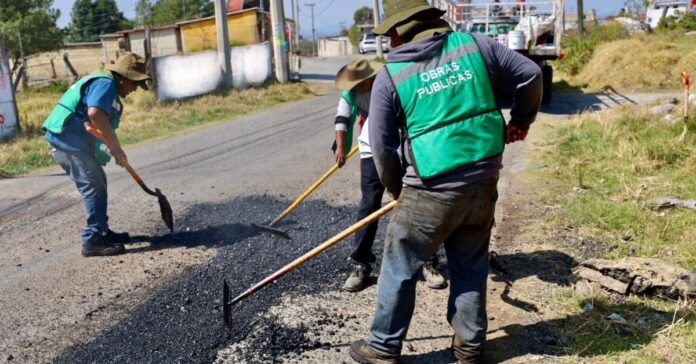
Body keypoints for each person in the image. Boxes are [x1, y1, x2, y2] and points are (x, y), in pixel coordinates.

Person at [349, 0, 542, 363]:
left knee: (401, 263)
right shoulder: (476, 45)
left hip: (430, 184)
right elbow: (530, 74)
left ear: (400, 30)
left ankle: (382, 346)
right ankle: (469, 347)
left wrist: (397, 190)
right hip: (484, 175)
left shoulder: (392, 75)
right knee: (470, 262)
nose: (389, 40)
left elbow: (382, 147)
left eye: (389, 32)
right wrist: (521, 120)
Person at [333, 59, 446, 292]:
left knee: (418, 202)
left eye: (358, 82)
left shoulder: (390, 82)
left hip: (402, 147)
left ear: (369, 78)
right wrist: (341, 148)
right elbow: (342, 118)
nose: (354, 86)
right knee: (368, 205)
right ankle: (361, 264)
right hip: (370, 149)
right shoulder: (351, 93)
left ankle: (428, 261)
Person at [43, 52, 151, 257]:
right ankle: (93, 240)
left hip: (71, 139)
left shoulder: (104, 81)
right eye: (134, 84)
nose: (134, 89)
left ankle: (102, 231)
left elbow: (90, 123)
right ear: (123, 77)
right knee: (92, 186)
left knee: (98, 181)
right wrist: (114, 144)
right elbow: (95, 114)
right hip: (67, 141)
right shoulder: (106, 83)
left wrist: (111, 145)